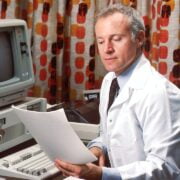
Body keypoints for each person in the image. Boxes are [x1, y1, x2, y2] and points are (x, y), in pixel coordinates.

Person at [55, 3, 180, 180]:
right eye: (101, 41)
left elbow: (166, 169)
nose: (107, 49)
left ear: (139, 38)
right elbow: (109, 134)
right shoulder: (110, 80)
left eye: (116, 39)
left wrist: (101, 174)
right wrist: (98, 148)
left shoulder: (159, 93)